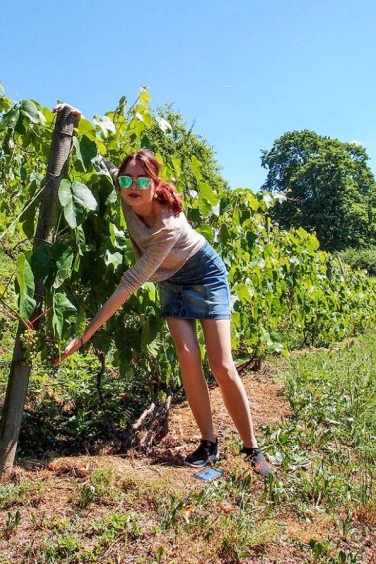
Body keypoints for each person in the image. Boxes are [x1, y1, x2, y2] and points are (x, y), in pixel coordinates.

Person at [53, 103, 272, 477]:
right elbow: (103, 160)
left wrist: (86, 335)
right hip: (172, 280)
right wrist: (77, 119)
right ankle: (208, 444)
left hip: (204, 273)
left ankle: (252, 448)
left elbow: (130, 282)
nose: (132, 187)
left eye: (142, 181)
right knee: (187, 357)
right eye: (126, 180)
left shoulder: (167, 227)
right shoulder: (125, 191)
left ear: (156, 183)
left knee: (220, 363)